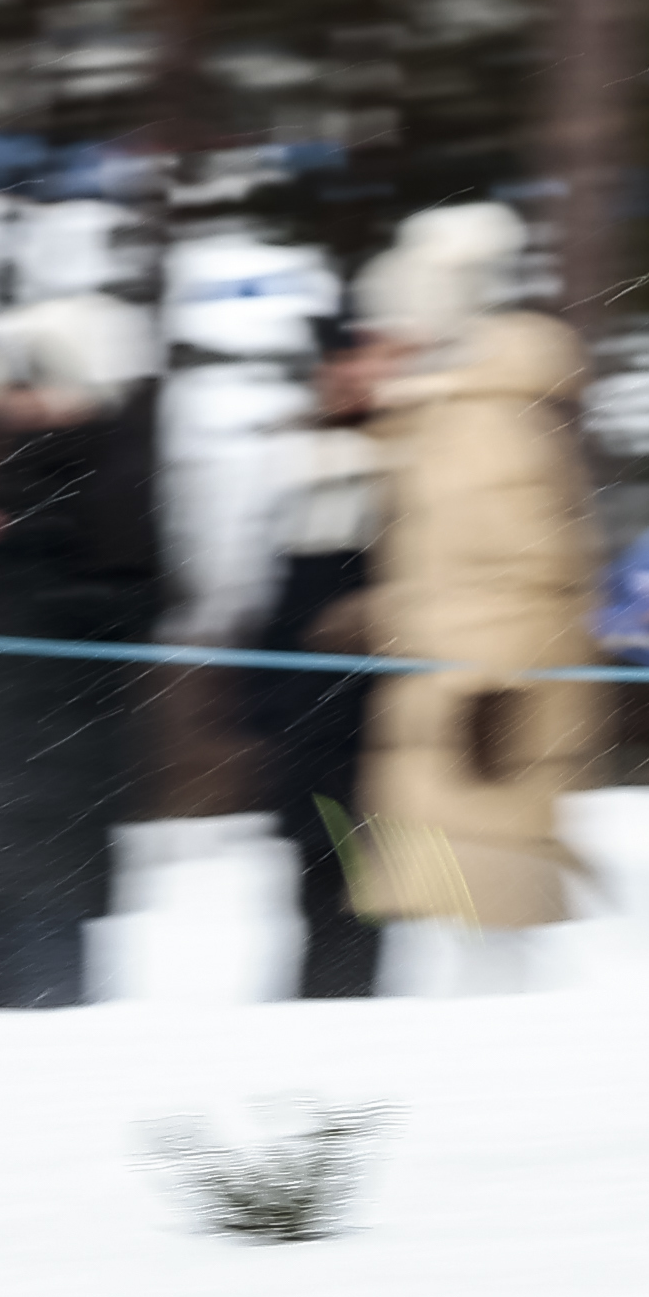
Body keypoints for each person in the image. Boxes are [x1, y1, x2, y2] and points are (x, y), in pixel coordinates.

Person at [354, 204, 600, 981]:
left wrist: (506, 678)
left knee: (490, 890)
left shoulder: (492, 416)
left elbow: (540, 563)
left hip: (486, 690)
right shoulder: (444, 410)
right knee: (452, 887)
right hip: (443, 678)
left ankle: (499, 1047)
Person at [0, 281, 161, 1006]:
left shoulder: (95, 460)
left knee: (41, 927)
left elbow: (131, 594)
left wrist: (10, 542)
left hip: (50, 737)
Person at [239, 328, 394, 998]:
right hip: (308, 706)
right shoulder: (293, 460)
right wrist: (267, 695)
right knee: (311, 878)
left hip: (379, 705)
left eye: (359, 361)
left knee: (369, 886)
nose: (346, 376)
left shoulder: (410, 454)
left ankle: (351, 1021)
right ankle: (311, 1020)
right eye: (335, 362)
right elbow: (272, 594)